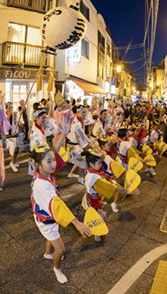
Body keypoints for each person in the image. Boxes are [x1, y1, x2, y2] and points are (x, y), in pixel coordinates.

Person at [30, 144, 92, 284]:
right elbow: (57, 205)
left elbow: (54, 158)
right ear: (38, 164)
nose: (53, 164)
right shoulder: (43, 185)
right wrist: (77, 223)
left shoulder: (42, 173)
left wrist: (62, 135)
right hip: (47, 221)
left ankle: (47, 254)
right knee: (61, 249)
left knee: (51, 237)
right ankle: (57, 268)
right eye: (49, 161)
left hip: (44, 215)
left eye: (54, 159)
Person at [81, 149, 128, 238]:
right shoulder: (94, 177)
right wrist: (123, 190)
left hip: (90, 197)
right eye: (99, 163)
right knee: (99, 220)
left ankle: (96, 235)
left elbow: (105, 179)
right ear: (91, 164)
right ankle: (97, 236)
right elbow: (109, 187)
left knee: (97, 218)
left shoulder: (88, 170)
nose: (100, 165)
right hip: (93, 201)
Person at [29, 109, 69, 176]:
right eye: (43, 118)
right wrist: (63, 135)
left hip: (39, 160)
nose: (45, 119)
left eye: (45, 117)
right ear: (36, 118)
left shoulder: (38, 126)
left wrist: (50, 106)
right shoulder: (36, 135)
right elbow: (44, 154)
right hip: (40, 162)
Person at [67, 106, 97, 183]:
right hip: (75, 144)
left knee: (78, 160)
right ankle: (80, 178)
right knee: (82, 161)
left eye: (85, 112)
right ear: (78, 112)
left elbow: (89, 121)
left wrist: (88, 109)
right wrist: (90, 144)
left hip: (74, 143)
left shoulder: (78, 119)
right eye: (82, 112)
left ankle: (70, 173)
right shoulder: (77, 124)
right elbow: (82, 136)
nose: (84, 114)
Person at [5, 103, 22, 172]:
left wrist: (22, 110)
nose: (10, 109)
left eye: (11, 107)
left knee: (17, 148)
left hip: (15, 134)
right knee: (14, 149)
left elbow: (19, 113)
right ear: (6, 108)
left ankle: (13, 162)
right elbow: (6, 121)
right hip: (9, 136)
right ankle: (12, 163)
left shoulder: (14, 113)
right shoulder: (5, 114)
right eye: (9, 107)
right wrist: (9, 114)